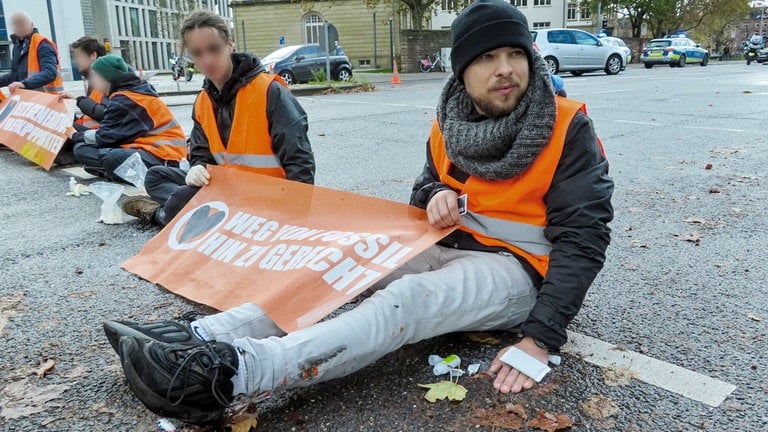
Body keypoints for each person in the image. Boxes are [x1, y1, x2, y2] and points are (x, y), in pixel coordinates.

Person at [103, 0, 613, 425]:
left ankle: (237, 374)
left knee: (409, 299)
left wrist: (541, 338)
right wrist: (433, 191)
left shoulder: (566, 127)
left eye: (514, 54)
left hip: (522, 270)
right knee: (345, 256)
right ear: (462, 72)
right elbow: (426, 187)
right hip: (451, 243)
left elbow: (584, 237)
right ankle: (208, 335)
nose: (505, 69)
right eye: (487, 58)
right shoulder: (450, 122)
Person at [121, 10, 314, 226]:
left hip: (268, 198)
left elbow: (299, 160)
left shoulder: (270, 92)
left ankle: (161, 214)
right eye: (198, 53)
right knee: (155, 176)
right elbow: (202, 152)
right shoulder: (203, 101)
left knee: (178, 202)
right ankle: (194, 212)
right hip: (226, 190)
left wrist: (297, 220)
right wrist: (197, 166)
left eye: (213, 49)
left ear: (229, 44)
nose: (207, 60)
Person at [67, 55, 187, 182]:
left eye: (94, 76)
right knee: (83, 149)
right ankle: (115, 170)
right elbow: (113, 135)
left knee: (111, 157)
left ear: (106, 78)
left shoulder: (124, 100)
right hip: (145, 147)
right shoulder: (125, 94)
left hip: (164, 155)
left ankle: (120, 171)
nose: (92, 80)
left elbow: (106, 136)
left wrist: (76, 136)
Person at [54, 36, 108, 165]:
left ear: (92, 55)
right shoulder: (92, 78)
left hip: (102, 134)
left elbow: (105, 114)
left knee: (61, 125)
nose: (75, 61)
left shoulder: (107, 78)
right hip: (94, 131)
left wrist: (77, 99)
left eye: (78, 56)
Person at [0, 11, 63, 94]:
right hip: (29, 99)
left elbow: (50, 72)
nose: (19, 26)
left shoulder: (42, 44)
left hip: (46, 98)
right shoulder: (18, 46)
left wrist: (24, 84)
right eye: (15, 24)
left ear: (32, 25)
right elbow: (15, 75)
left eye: (22, 22)